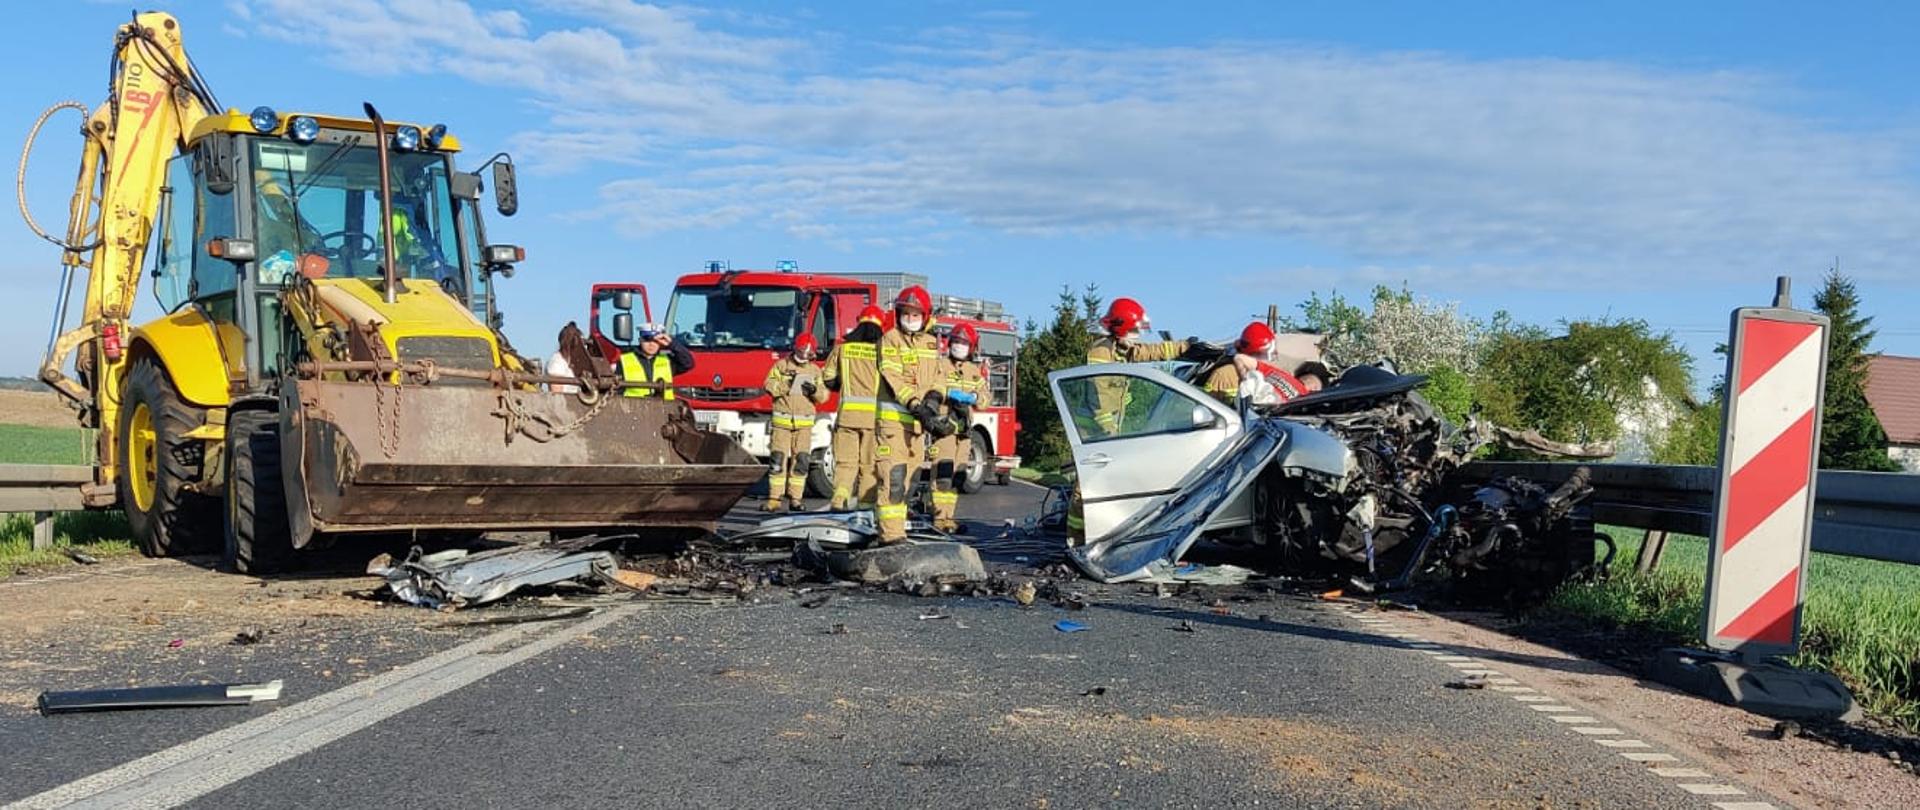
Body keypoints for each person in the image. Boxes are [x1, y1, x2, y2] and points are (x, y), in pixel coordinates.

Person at [875, 286, 943, 544]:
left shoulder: (930, 342)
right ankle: (890, 537)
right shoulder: (890, 339)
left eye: (916, 314)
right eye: (907, 313)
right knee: (893, 478)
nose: (911, 318)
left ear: (925, 316)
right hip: (894, 423)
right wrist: (916, 404)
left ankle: (897, 529)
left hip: (917, 426)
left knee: (911, 482)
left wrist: (935, 399)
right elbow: (892, 377)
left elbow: (939, 375)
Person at [821, 306, 886, 511]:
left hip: (847, 418)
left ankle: (839, 501)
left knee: (845, 463)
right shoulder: (883, 351)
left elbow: (829, 379)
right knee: (869, 466)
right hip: (874, 420)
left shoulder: (843, 349)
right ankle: (865, 507)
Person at [928, 323, 988, 533]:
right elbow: (932, 386)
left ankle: (948, 518)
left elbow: (985, 398)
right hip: (944, 427)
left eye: (964, 343)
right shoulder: (940, 365)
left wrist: (974, 397)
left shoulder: (973, 371)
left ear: (971, 347)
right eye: (957, 342)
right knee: (943, 473)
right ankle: (938, 517)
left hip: (963, 430)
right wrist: (948, 393)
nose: (959, 346)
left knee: (957, 475)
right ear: (949, 343)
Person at [761, 335, 828, 512]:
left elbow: (823, 396)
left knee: (801, 461)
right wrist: (787, 385)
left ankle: (796, 498)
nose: (804, 355)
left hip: (804, 425)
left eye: (808, 353)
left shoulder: (814, 370)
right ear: (795, 348)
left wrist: (813, 391)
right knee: (777, 460)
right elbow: (768, 385)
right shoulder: (781, 366)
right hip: (782, 422)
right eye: (801, 351)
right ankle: (774, 498)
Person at [1202, 323, 1312, 406]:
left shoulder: (1274, 372)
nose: (1269, 360)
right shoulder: (1224, 375)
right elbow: (1209, 411)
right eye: (1264, 355)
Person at [620, 322, 694, 399]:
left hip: (665, 408)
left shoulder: (667, 361)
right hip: (633, 408)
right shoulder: (624, 361)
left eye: (656, 340)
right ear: (640, 340)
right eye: (647, 339)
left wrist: (672, 344)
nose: (651, 344)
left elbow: (688, 363)